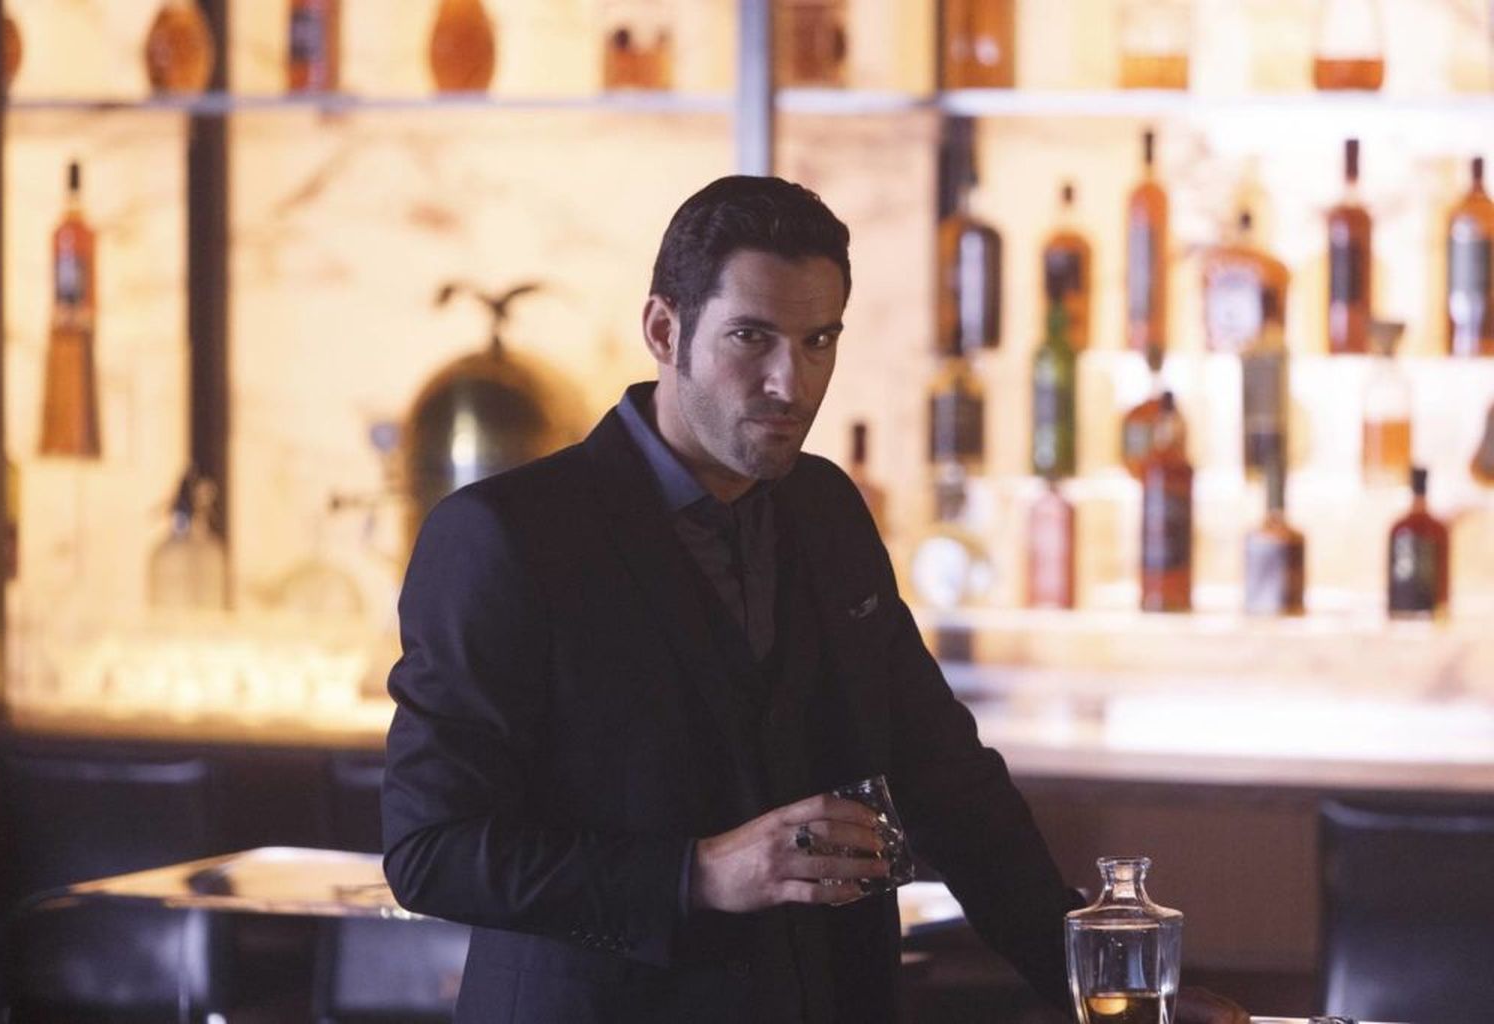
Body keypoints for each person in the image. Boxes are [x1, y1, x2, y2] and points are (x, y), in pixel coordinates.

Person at [382, 176, 1248, 1024]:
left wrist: (1094, 985)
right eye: (751, 338)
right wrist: (699, 873)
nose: (790, 384)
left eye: (818, 341)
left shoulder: (827, 507)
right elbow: (431, 851)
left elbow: (947, 779)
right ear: (664, 329)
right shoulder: (506, 536)